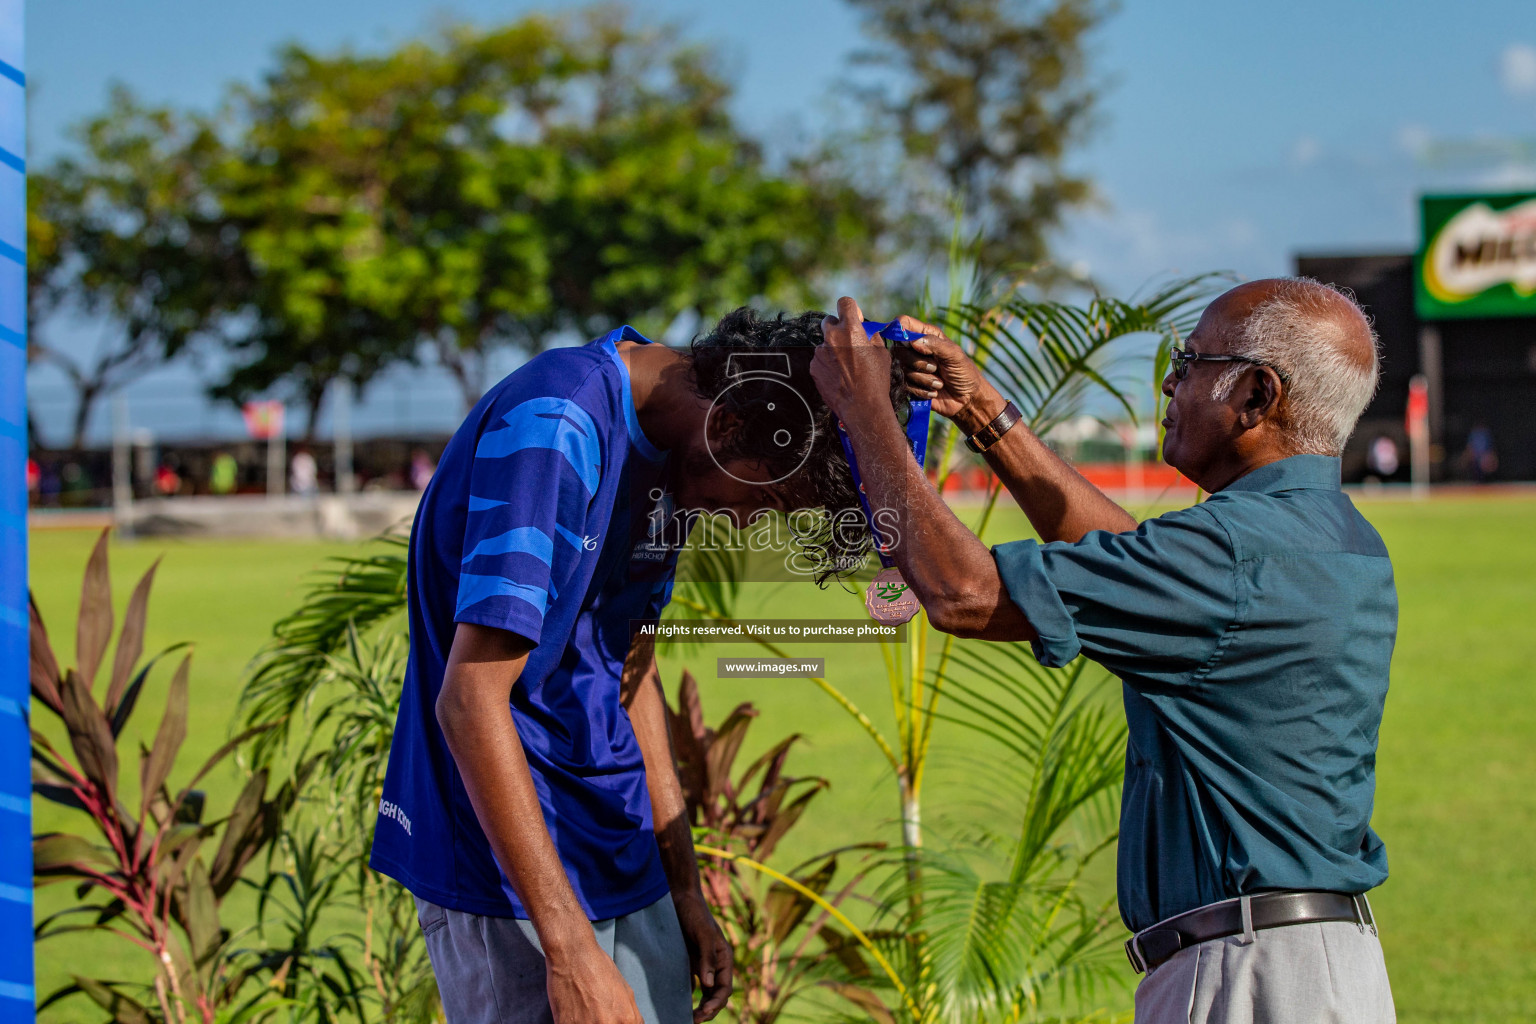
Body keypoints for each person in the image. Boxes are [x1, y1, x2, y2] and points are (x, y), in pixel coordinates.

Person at [810, 280, 1397, 1024]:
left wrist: (865, 413)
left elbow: (962, 593)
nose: (1170, 381)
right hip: (1314, 963)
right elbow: (1131, 563)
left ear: (1255, 396)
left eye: (1190, 361)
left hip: (1249, 977)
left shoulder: (1232, 554)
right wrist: (987, 414)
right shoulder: (1332, 538)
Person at [371, 310, 886, 1024]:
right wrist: (571, 953)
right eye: (764, 500)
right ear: (730, 425)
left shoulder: (671, 464)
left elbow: (628, 667)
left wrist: (684, 891)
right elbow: (469, 702)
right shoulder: (559, 422)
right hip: (513, 879)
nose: (743, 523)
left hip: (619, 857)